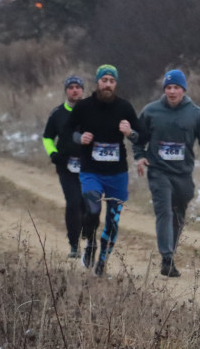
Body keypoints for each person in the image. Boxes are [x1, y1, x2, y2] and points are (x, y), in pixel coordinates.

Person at [133, 69, 200, 277]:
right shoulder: (151, 111)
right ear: (164, 89)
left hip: (183, 173)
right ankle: (167, 258)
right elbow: (138, 137)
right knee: (164, 210)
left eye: (176, 87)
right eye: (168, 87)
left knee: (179, 213)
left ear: (183, 90)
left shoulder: (196, 113)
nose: (172, 91)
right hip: (158, 171)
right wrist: (140, 155)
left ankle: (170, 251)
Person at [69, 64, 145, 276]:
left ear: (116, 84)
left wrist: (130, 133)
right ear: (98, 82)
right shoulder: (83, 107)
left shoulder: (124, 108)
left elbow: (143, 135)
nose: (108, 85)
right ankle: (91, 244)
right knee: (92, 209)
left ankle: (102, 262)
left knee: (113, 221)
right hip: (91, 170)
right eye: (104, 81)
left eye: (112, 81)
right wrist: (79, 138)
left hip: (117, 174)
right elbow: (68, 131)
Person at [42, 75, 86, 258]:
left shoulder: (91, 111)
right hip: (66, 166)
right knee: (73, 202)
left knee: (88, 204)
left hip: (88, 166)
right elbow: (47, 137)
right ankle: (74, 244)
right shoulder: (57, 113)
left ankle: (85, 230)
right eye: (71, 87)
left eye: (78, 87)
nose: (74, 90)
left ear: (82, 90)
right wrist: (53, 154)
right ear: (66, 91)